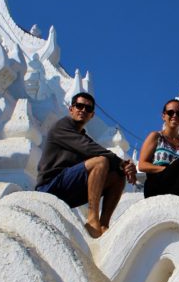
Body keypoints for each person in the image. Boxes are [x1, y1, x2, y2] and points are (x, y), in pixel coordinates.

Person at [36, 91, 137, 238]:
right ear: (71, 109)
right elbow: (90, 148)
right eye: (79, 106)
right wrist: (122, 162)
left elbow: (91, 147)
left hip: (67, 189)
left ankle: (103, 225)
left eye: (88, 109)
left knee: (118, 174)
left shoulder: (81, 136)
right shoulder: (62, 126)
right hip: (50, 186)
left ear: (92, 115)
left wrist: (125, 168)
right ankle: (92, 220)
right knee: (101, 161)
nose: (83, 110)